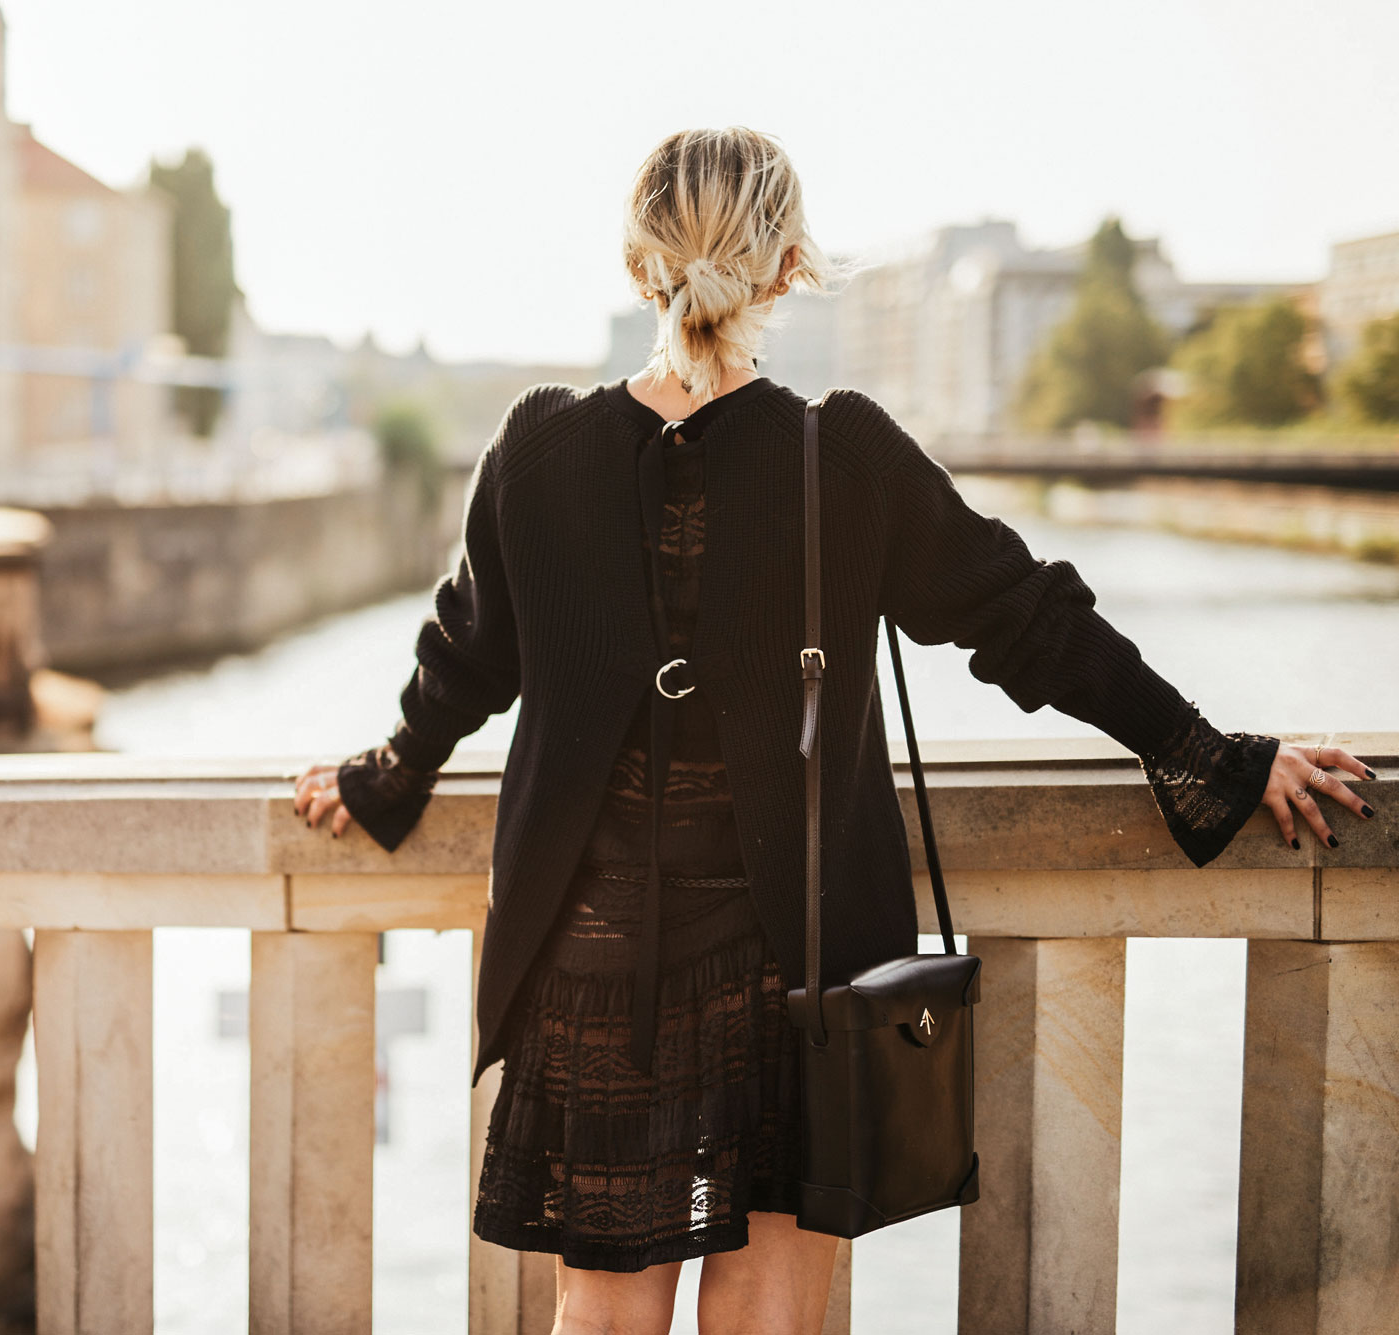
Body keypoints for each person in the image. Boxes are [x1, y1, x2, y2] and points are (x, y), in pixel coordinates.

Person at [293, 127, 1374, 1335]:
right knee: (767, 1313)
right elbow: (1025, 621)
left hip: (589, 963)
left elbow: (464, 656)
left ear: (635, 261)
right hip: (793, 957)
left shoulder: (533, 448)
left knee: (599, 1318)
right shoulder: (838, 451)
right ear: (788, 266)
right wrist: (1208, 756)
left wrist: (385, 777)